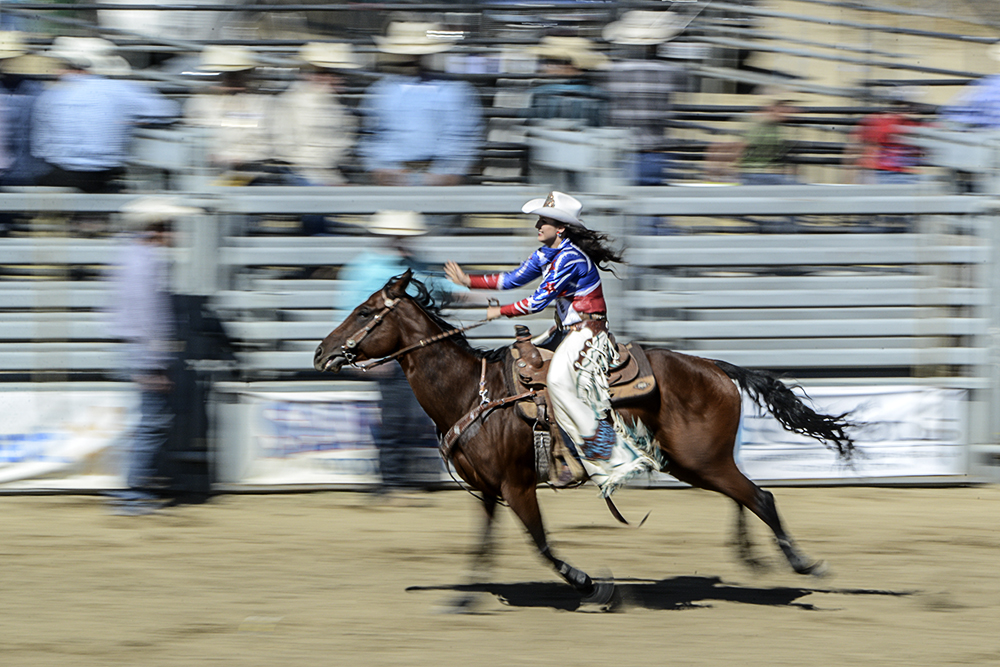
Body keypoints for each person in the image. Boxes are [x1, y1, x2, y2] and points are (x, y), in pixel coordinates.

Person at [444, 191, 656, 496]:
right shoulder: (545, 254)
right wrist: (469, 280)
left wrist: (498, 311)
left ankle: (604, 451)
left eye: (544, 221)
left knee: (557, 380)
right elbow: (513, 279)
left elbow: (536, 301)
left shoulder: (569, 258)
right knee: (520, 365)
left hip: (587, 332)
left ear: (561, 229)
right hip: (567, 330)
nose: (537, 226)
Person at [339, 210, 463, 498]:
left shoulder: (413, 265)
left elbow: (441, 289)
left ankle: (400, 478)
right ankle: (390, 480)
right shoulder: (365, 268)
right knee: (396, 419)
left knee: (410, 416)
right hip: (390, 355)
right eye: (399, 236)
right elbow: (351, 313)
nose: (403, 242)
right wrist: (363, 356)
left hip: (416, 355)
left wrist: (470, 293)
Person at [106, 197, 200, 515]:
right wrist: (154, 363)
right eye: (170, 226)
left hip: (135, 348)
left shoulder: (129, 255)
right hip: (145, 352)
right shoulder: (148, 261)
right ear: (157, 228)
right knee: (152, 424)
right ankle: (134, 490)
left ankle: (135, 485)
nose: (174, 233)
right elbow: (149, 314)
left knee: (148, 422)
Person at [31, 37, 180, 193]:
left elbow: (40, 147)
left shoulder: (51, 95)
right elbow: (167, 111)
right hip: (102, 176)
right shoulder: (120, 89)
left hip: (58, 173)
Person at [357, 21, 483, 187]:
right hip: (394, 175)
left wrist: (448, 172)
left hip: (436, 176)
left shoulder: (455, 91)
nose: (413, 58)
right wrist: (380, 169)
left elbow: (464, 138)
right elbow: (370, 135)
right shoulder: (381, 90)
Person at [271, 41, 359, 234]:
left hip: (327, 175)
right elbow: (286, 151)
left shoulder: (337, 106)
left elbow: (342, 147)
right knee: (316, 204)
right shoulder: (290, 102)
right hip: (303, 174)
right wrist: (324, 181)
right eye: (332, 72)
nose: (339, 79)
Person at [601, 11, 688, 187]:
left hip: (616, 151)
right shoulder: (673, 72)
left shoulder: (608, 72)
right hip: (654, 151)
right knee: (653, 203)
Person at [184, 45, 275, 185]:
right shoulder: (200, 103)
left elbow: (268, 142)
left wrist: (243, 158)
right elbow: (195, 141)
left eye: (238, 73)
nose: (232, 79)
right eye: (226, 74)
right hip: (210, 174)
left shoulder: (262, 103)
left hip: (253, 173)